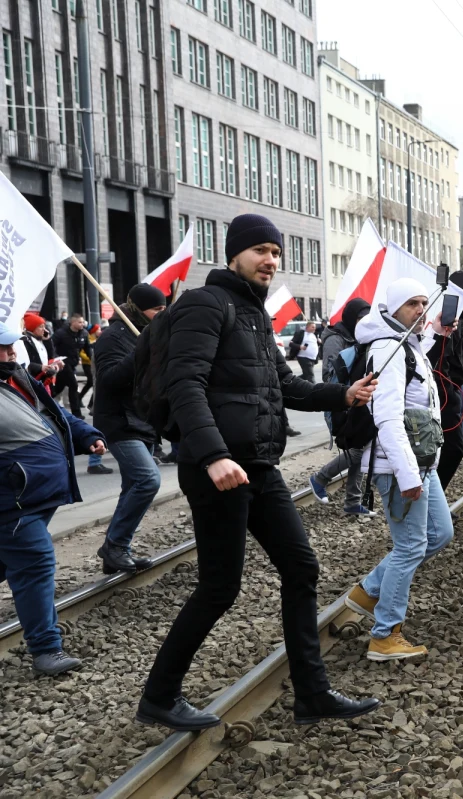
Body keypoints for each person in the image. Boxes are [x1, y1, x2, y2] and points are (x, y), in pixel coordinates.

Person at [138, 213, 380, 731]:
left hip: (259, 466)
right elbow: (186, 386)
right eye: (260, 250)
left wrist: (343, 393)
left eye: (275, 252)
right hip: (219, 469)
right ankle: (159, 696)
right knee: (220, 588)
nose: (270, 260)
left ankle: (312, 693)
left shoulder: (254, 314)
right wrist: (211, 455)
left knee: (301, 567)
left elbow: (284, 388)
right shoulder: (207, 305)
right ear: (234, 254)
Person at [343, 278, 454, 661]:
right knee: (410, 546)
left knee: (440, 532)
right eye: (412, 305)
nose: (421, 311)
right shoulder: (387, 350)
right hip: (398, 465)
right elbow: (387, 418)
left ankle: (369, 591)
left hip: (422, 461)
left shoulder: (408, 346)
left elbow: (419, 368)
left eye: (424, 303)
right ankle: (385, 634)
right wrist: (407, 477)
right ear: (392, 309)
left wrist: (438, 332)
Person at [1, 324, 105, 676]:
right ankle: (46, 649)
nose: (11, 353)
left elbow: (55, 418)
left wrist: (86, 435)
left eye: (10, 345)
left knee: (12, 564)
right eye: (2, 348)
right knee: (35, 564)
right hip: (12, 504)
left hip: (33, 496)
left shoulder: (16, 378)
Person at [92, 284, 168, 573]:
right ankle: (115, 546)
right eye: (157, 310)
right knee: (148, 480)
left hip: (144, 421)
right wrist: (142, 354)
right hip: (119, 422)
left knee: (132, 486)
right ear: (138, 309)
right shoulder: (113, 337)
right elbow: (109, 379)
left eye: (164, 309)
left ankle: (116, 550)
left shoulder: (151, 334)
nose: (162, 315)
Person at [309, 297, 375, 516]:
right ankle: (321, 478)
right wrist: (344, 395)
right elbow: (330, 375)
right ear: (350, 318)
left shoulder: (360, 336)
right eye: (359, 318)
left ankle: (352, 503)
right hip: (338, 402)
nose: (363, 322)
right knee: (356, 451)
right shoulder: (335, 339)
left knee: (360, 447)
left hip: (356, 399)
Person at [426, 269, 463, 492]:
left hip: (453, 393)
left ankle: (433, 502)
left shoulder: (462, 324)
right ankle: (431, 502)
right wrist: (451, 393)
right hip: (446, 396)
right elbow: (441, 362)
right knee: (453, 449)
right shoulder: (450, 324)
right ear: (462, 295)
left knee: (451, 450)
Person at [52, 312, 91, 417]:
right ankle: (77, 413)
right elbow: (51, 345)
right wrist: (55, 358)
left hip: (72, 364)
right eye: (80, 322)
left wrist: (93, 360)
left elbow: (88, 348)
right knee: (73, 385)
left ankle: (45, 398)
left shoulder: (84, 333)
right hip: (63, 364)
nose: (82, 324)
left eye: (83, 322)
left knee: (59, 387)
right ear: (72, 322)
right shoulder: (61, 333)